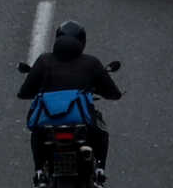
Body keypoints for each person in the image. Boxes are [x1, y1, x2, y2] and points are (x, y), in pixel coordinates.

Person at [16, 18, 122, 178]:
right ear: (82, 41)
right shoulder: (91, 62)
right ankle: (100, 169)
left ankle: (38, 171)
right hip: (80, 119)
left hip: (48, 120)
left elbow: (24, 92)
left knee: (37, 132)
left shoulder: (44, 60)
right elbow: (112, 92)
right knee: (101, 131)